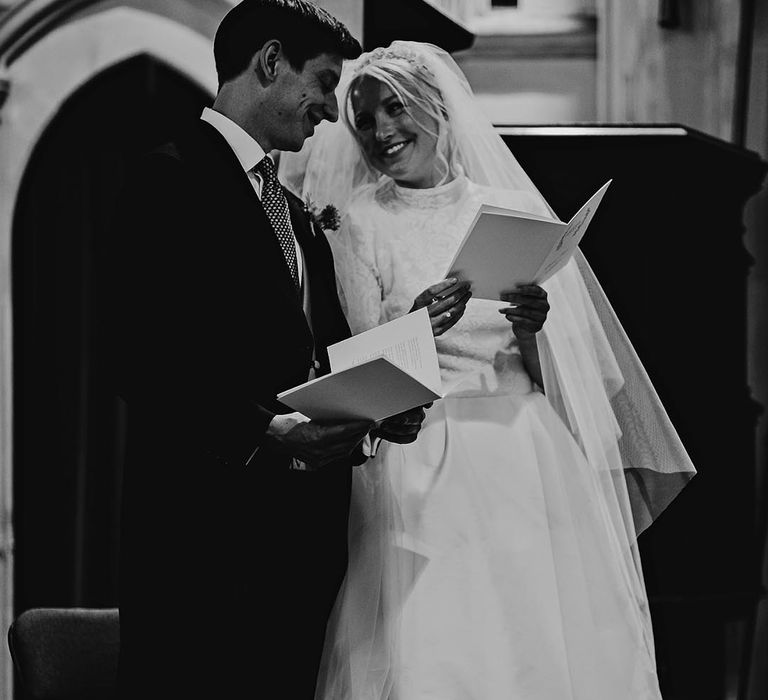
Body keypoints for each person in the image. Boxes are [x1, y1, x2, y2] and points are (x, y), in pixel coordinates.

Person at [280, 41, 697, 699]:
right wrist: (418, 323)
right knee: (435, 647)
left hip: (525, 453)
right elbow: (366, 367)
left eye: (395, 109)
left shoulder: (515, 211)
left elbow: (573, 373)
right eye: (365, 120)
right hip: (425, 456)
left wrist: (535, 332)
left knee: (538, 640)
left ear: (438, 107)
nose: (382, 131)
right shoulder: (360, 224)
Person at [111, 5, 429, 699]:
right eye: (322, 82)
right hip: (203, 542)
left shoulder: (291, 204)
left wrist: (379, 413)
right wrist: (263, 428)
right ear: (271, 61)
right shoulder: (168, 178)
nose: (327, 111)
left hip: (302, 547)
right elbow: (137, 355)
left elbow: (315, 353)